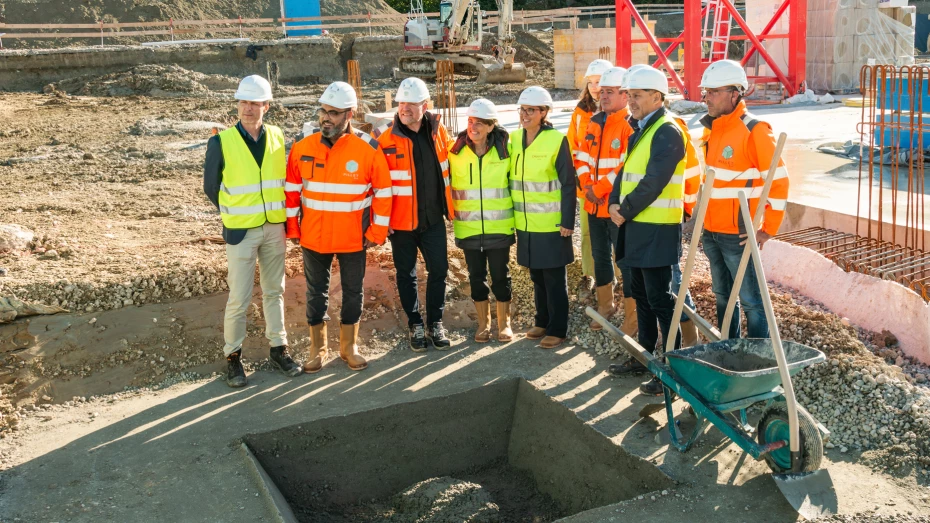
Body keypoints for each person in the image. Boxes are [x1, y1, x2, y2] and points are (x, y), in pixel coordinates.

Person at [284, 81, 392, 373]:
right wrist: (293, 228)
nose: (326, 118)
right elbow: (292, 191)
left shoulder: (367, 149)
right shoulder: (302, 147)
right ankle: (317, 349)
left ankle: (349, 347)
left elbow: (384, 193)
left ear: (349, 114)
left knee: (353, 291)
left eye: (333, 113)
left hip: (353, 237)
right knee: (315, 293)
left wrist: (376, 232)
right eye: (323, 111)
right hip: (313, 236)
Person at [203, 75, 302, 388]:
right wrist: (234, 212)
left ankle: (278, 348)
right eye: (243, 102)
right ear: (238, 104)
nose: (248, 108)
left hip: (273, 228)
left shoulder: (277, 136)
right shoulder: (221, 142)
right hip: (241, 232)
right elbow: (210, 187)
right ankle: (233, 357)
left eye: (254, 103)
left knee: (275, 291)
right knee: (239, 298)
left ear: (266, 106)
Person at [605, 66, 686, 396]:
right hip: (637, 228)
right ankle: (645, 357)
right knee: (641, 296)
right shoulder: (641, 130)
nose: (631, 101)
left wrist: (623, 210)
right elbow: (625, 173)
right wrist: (613, 202)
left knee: (660, 300)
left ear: (657, 97)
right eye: (629, 95)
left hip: (657, 230)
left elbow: (654, 181)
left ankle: (672, 371)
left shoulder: (667, 131)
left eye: (637, 96)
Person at [698, 60, 789, 339]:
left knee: (751, 300)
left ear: (735, 93)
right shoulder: (712, 129)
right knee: (722, 295)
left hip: (738, 234)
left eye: (714, 92)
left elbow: (778, 181)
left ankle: (758, 353)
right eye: (706, 92)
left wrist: (768, 229)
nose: (707, 98)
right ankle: (730, 347)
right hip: (711, 231)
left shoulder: (755, 130)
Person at [374, 78, 454, 352]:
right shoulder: (384, 138)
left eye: (411, 103)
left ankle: (435, 323)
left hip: (433, 219)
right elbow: (373, 183)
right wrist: (381, 220)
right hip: (400, 223)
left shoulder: (438, 131)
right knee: (406, 274)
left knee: (439, 270)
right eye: (401, 103)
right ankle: (415, 324)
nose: (404, 108)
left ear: (425, 105)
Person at [510, 86, 577, 349]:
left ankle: (557, 329)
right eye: (522, 109)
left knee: (553, 278)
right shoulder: (514, 139)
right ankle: (542, 320)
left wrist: (567, 221)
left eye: (531, 110)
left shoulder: (556, 140)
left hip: (551, 224)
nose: (525, 114)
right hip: (525, 223)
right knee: (536, 275)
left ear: (544, 113)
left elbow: (568, 183)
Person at [574, 66, 635, 335]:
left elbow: (624, 166)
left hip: (615, 206)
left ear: (625, 95)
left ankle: (632, 314)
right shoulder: (595, 122)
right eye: (603, 91)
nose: (603, 95)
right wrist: (588, 186)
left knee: (624, 259)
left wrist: (597, 189)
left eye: (610, 91)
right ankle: (605, 306)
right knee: (600, 257)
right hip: (593, 204)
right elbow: (581, 157)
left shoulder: (629, 126)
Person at [448, 99, 515, 343]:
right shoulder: (454, 152)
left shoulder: (506, 151)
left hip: (499, 227)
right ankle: (483, 324)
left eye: (479, 123)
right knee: (476, 277)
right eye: (470, 121)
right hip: (468, 228)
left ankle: (504, 324)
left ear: (490, 126)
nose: (473, 127)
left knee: (500, 276)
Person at [567, 58, 613, 290]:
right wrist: (584, 183)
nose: (594, 87)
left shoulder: (617, 111)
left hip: (612, 187)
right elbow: (573, 147)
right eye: (591, 82)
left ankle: (618, 278)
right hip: (586, 187)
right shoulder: (580, 112)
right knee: (587, 234)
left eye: (599, 81)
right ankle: (590, 275)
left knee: (616, 233)